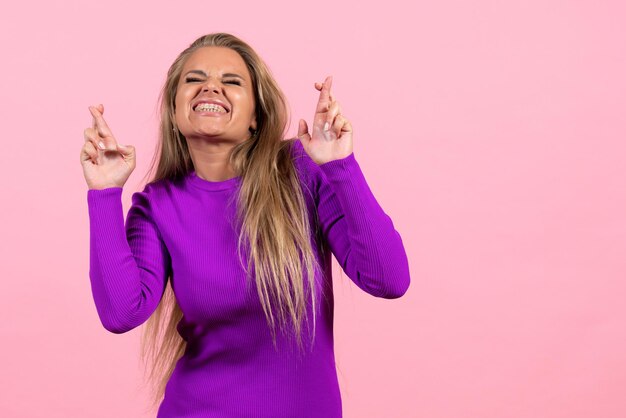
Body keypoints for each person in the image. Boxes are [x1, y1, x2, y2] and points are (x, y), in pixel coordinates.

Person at [80, 32, 410, 418]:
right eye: (194, 79)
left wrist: (340, 165)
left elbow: (389, 280)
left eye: (232, 81)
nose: (211, 87)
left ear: (256, 115)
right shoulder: (157, 205)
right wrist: (104, 193)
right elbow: (121, 313)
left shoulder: (302, 172)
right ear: (174, 111)